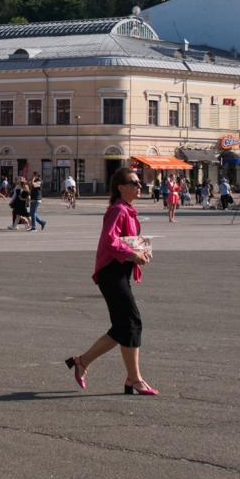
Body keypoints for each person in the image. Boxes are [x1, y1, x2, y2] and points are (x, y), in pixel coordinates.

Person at [65, 170, 157, 396]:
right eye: (134, 183)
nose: (139, 186)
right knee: (132, 323)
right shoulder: (117, 210)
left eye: (139, 183)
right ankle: (133, 378)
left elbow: (126, 241)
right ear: (120, 187)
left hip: (118, 273)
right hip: (111, 273)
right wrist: (133, 255)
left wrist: (141, 252)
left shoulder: (126, 210)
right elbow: (110, 240)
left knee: (124, 326)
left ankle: (84, 362)